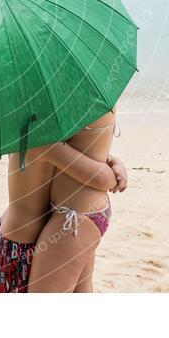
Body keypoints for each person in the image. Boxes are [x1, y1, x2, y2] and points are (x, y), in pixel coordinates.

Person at [0, 114, 126, 293]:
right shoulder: (41, 139)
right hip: (18, 249)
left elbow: (74, 150)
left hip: (11, 236)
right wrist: (115, 173)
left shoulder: (27, 126)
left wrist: (111, 159)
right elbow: (102, 179)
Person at [28, 111, 119, 292]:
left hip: (74, 217)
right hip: (84, 210)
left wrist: (111, 174)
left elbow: (102, 178)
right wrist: (111, 160)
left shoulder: (70, 93)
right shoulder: (91, 89)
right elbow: (85, 143)